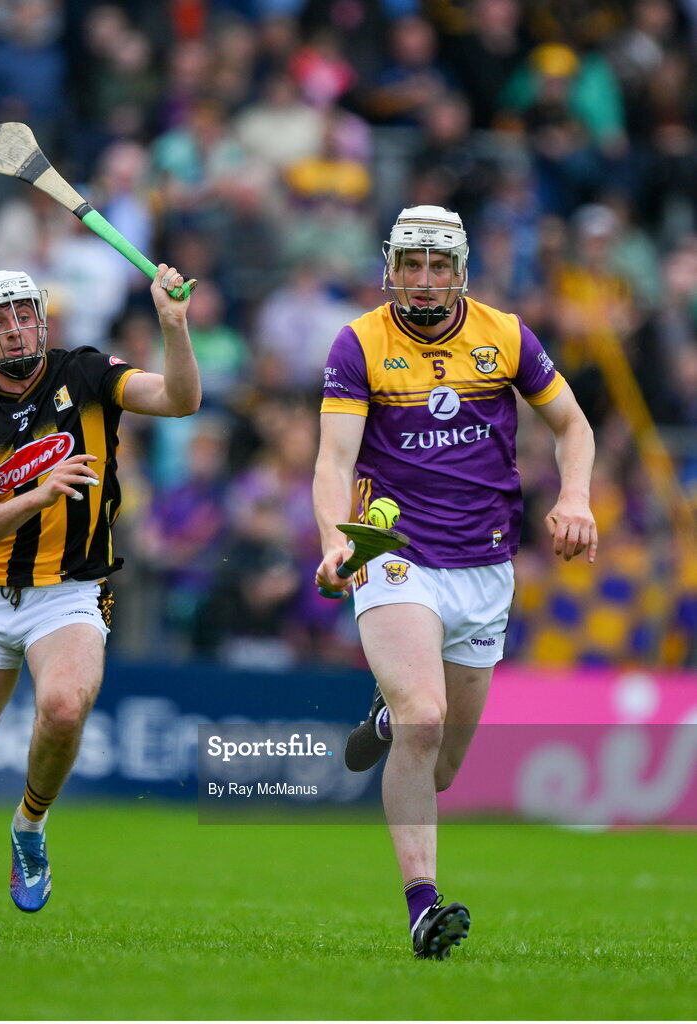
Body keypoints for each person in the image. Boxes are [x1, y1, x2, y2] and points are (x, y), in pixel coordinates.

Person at [312, 205, 597, 959]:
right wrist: (329, 541)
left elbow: (573, 426)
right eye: (411, 264)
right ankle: (421, 905)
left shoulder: (504, 335)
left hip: (485, 567)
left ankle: (384, 722)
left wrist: (573, 497)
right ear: (390, 267)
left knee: (437, 769)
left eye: (438, 266)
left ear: (460, 269)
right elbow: (333, 460)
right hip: (392, 550)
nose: (425, 280)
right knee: (425, 718)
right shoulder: (359, 342)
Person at [0, 263, 200, 934]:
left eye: (21, 312)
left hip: (71, 590)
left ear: (41, 317)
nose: (12, 327)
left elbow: (180, 399)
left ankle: (30, 822)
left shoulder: (87, 371)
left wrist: (173, 325)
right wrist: (40, 492)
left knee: (65, 707)